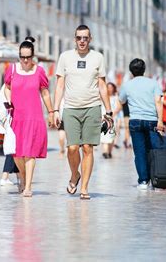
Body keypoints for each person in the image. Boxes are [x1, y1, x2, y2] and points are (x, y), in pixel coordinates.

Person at [53, 25, 113, 200]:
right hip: (70, 108)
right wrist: (55, 109)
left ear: (90, 39)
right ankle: (74, 175)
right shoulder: (65, 57)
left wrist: (108, 111)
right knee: (72, 148)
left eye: (85, 38)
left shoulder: (98, 58)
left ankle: (84, 188)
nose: (82, 41)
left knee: (87, 148)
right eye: (79, 37)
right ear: (74, 39)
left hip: (92, 107)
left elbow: (102, 85)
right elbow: (59, 85)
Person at [3, 37, 54, 197]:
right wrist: (8, 101)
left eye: (28, 57)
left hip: (34, 116)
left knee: (30, 152)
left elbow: (45, 93)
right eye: (22, 57)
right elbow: (7, 88)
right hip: (16, 116)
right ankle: (23, 178)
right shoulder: (11, 70)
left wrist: (52, 112)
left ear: (33, 56)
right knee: (17, 153)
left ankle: (28, 186)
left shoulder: (39, 71)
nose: (25, 60)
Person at [119, 59, 164, 190]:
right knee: (152, 150)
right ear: (144, 69)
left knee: (139, 152)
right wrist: (160, 120)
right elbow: (158, 102)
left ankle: (143, 181)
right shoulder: (153, 83)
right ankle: (155, 177)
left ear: (131, 71)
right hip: (152, 120)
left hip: (135, 121)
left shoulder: (127, 85)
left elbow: (121, 101)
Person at [101, 83, 122, 159]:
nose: (109, 89)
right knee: (104, 135)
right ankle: (105, 152)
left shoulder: (116, 97)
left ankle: (109, 152)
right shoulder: (102, 97)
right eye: (108, 87)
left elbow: (119, 107)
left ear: (113, 88)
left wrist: (112, 115)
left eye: (111, 87)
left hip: (113, 119)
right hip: (103, 118)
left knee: (111, 136)